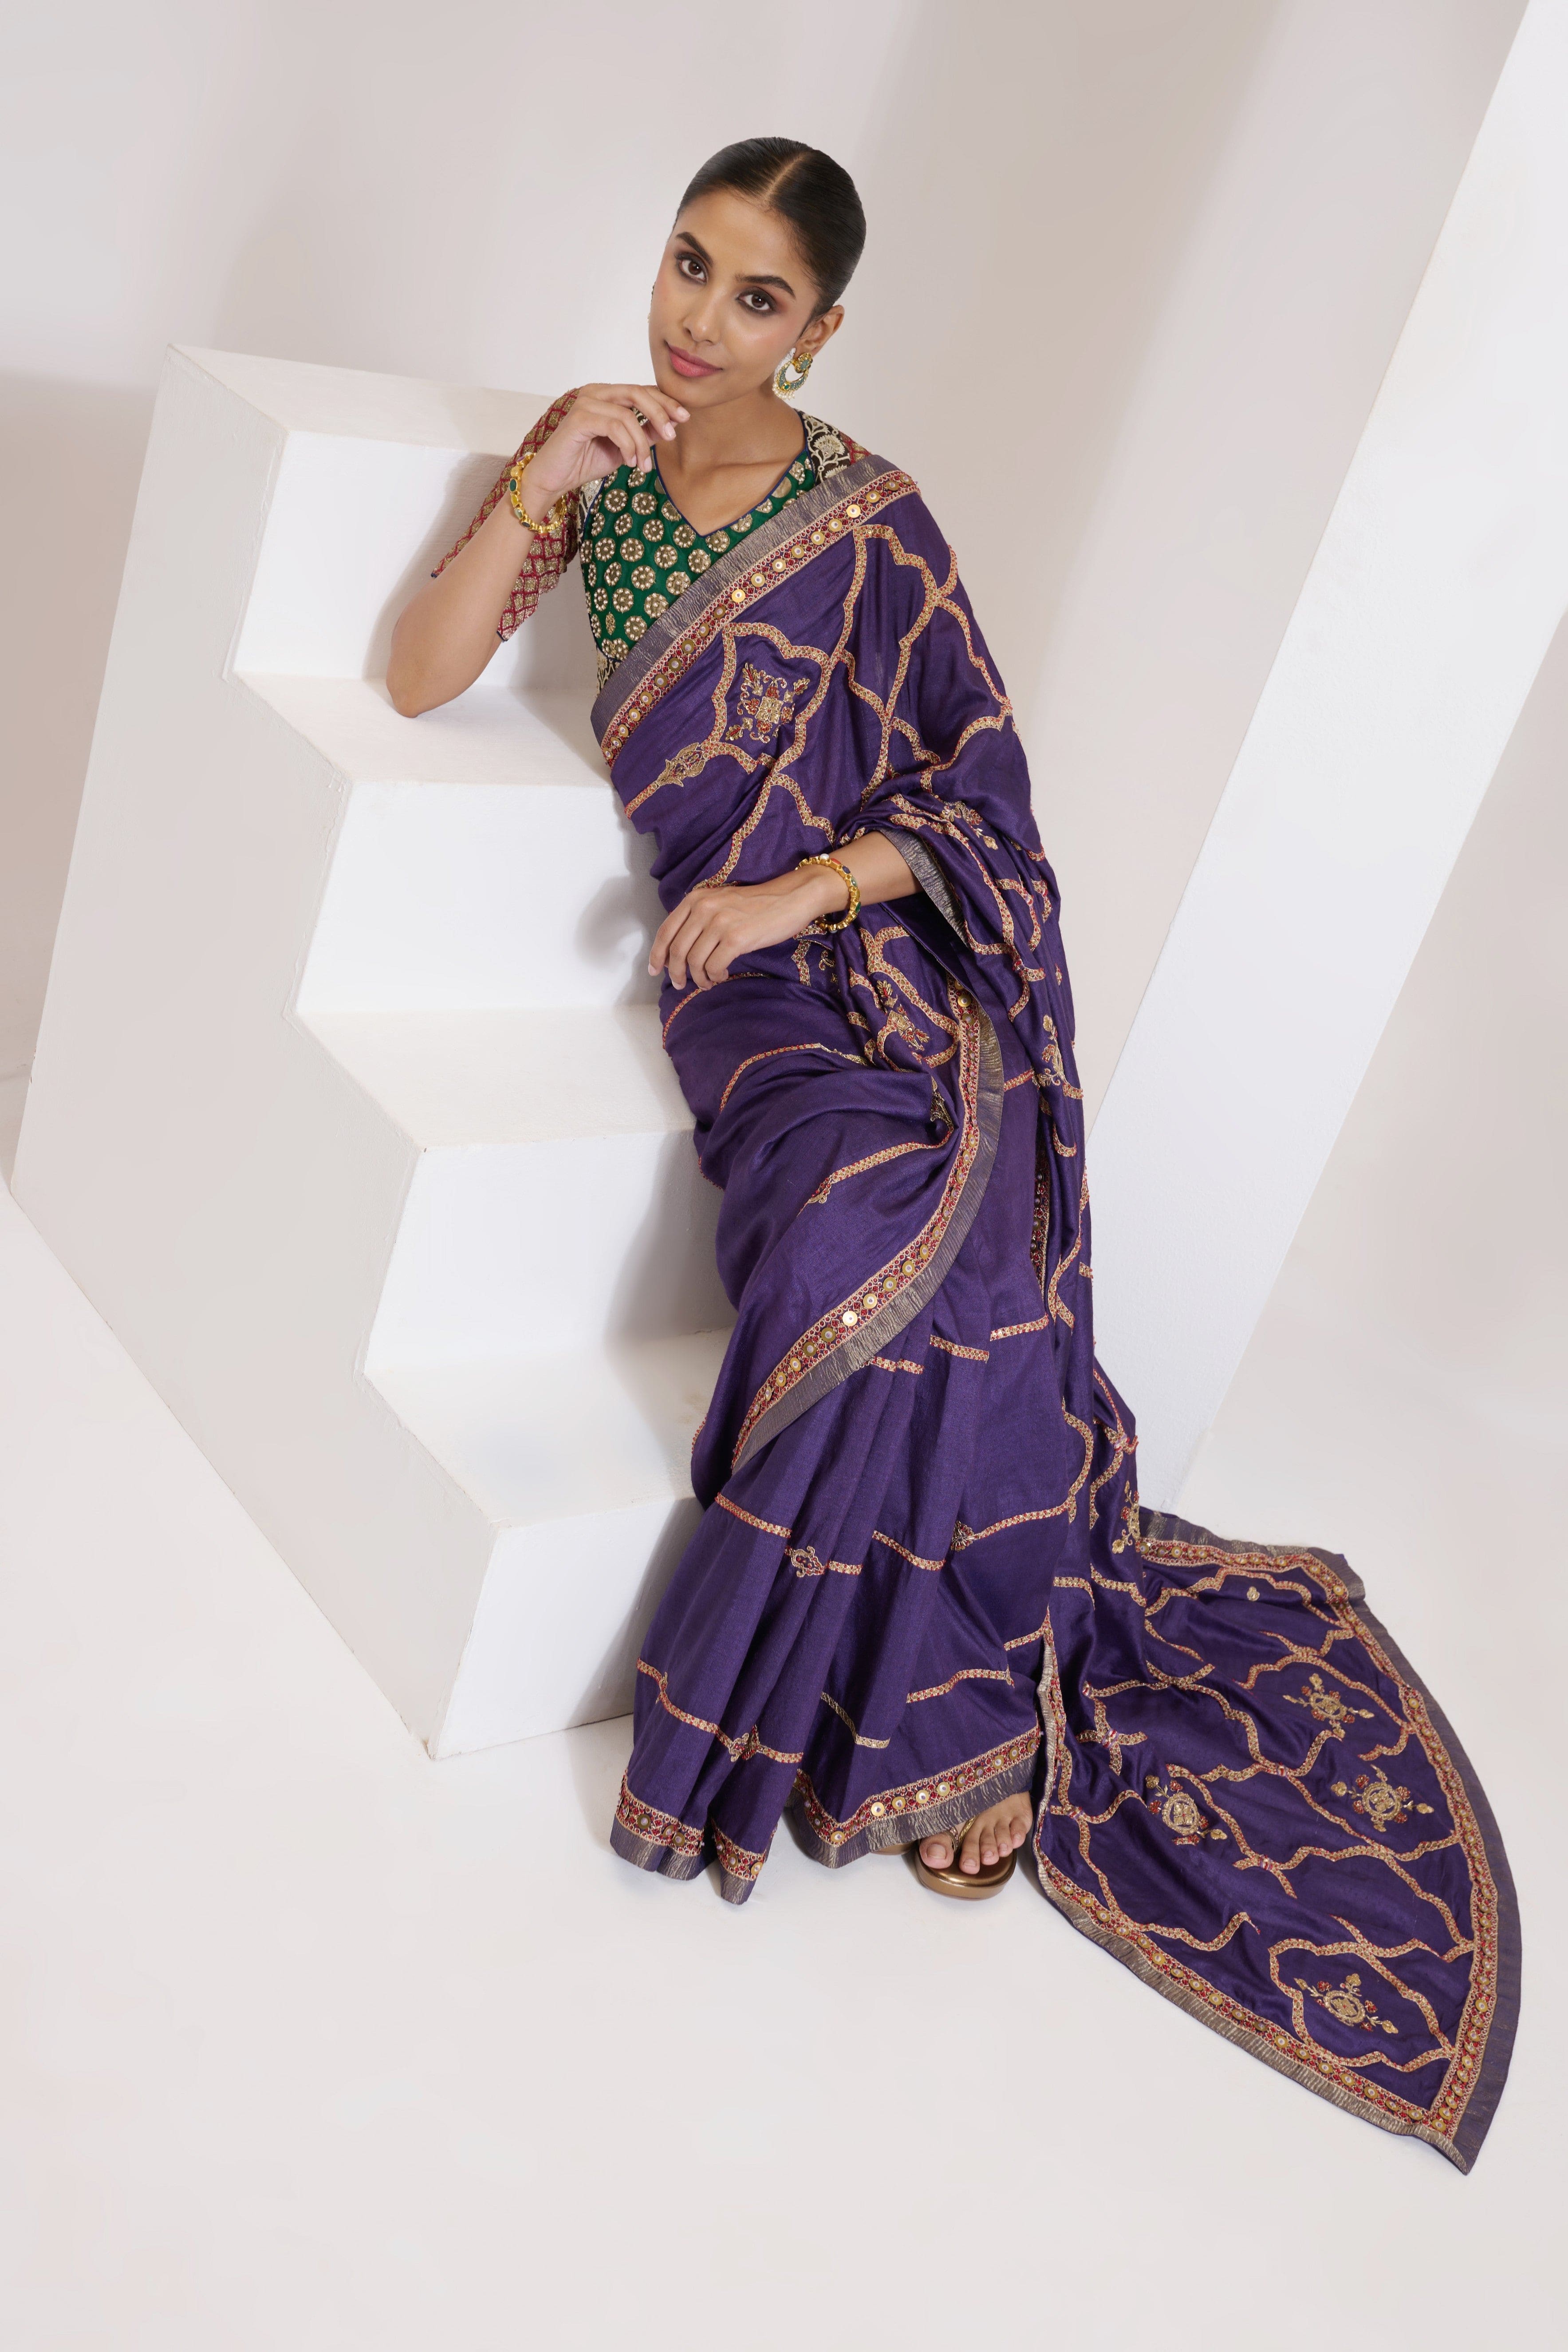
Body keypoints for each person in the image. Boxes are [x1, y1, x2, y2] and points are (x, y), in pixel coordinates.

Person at [388, 138, 1517, 2168]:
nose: (698, 318)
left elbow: (981, 796)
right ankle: (923, 1697)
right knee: (845, 1234)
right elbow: (421, 670)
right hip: (739, 996)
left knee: (961, 1213)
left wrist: (809, 886)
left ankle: (965, 1702)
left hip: (876, 950)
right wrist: (538, 472)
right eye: (686, 264)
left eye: (753, 297)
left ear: (817, 331)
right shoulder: (606, 476)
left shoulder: (876, 520)